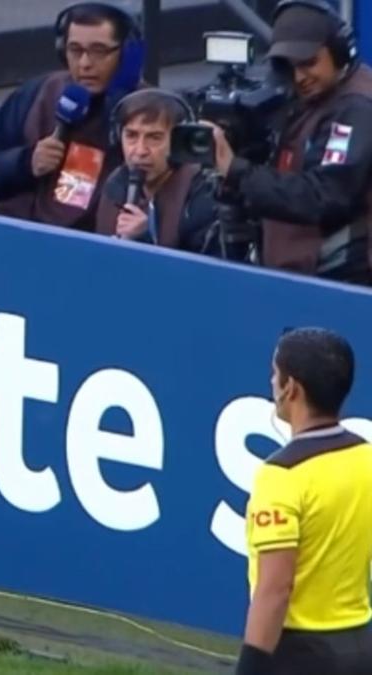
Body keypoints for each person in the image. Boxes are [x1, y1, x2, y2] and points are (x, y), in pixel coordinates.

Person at [237, 327, 372, 674]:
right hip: (360, 645)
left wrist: (250, 667)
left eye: (275, 373)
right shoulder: (366, 458)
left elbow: (276, 589)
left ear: (290, 388)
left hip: (300, 654)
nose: (271, 381)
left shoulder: (281, 475)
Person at [209, 0, 372, 285]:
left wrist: (238, 171)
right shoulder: (309, 95)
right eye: (289, 66)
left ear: (340, 51)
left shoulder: (356, 108)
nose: (300, 77)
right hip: (298, 273)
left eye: (309, 63)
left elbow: (325, 195)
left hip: (338, 278)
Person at [0, 1, 144, 231]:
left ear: (128, 53)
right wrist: (25, 162)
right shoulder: (37, 93)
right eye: (75, 50)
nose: (85, 63)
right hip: (26, 235)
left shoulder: (148, 111)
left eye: (99, 51)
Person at [94, 89, 223, 256]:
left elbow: (198, 276)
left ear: (179, 142)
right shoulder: (118, 182)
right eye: (131, 136)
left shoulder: (202, 193)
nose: (140, 151)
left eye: (154, 138)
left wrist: (143, 240)